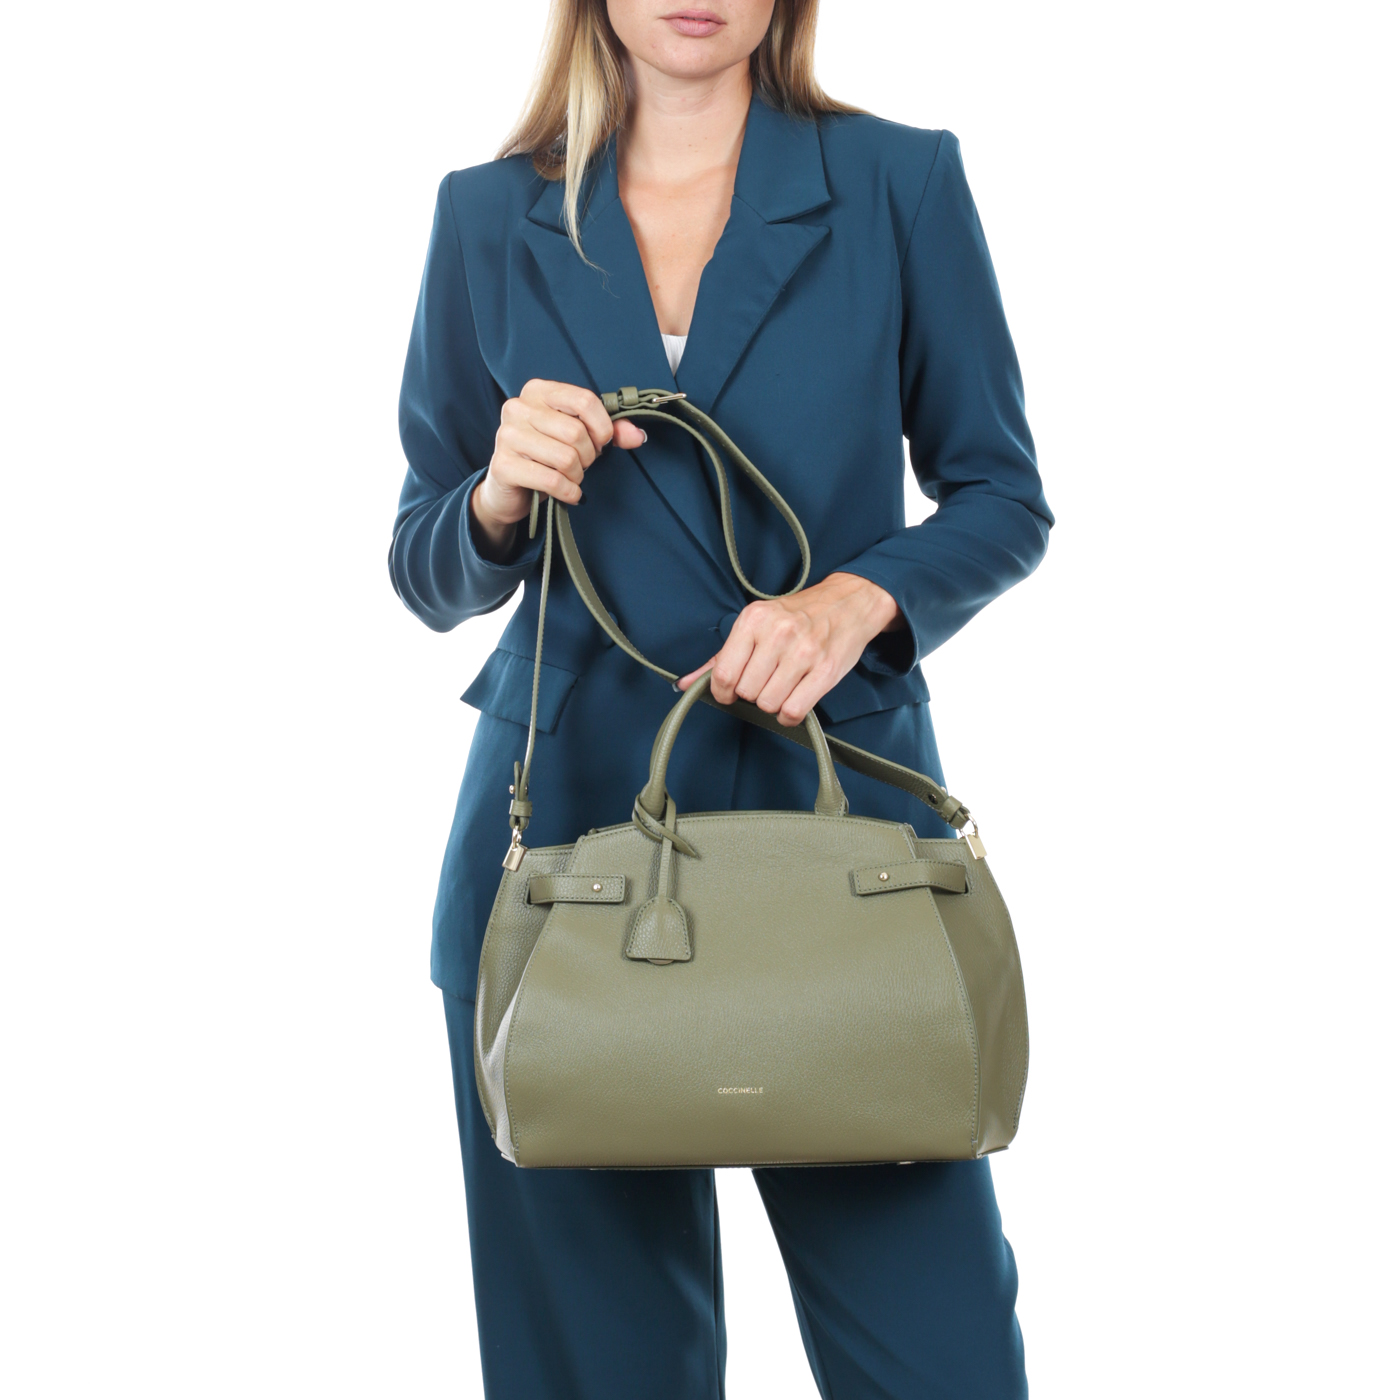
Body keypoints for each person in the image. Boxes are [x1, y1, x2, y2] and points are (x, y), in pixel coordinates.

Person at [389, 2, 1053, 1395]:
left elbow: (1001, 495)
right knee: (595, 1369)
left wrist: (856, 601)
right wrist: (500, 495)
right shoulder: (486, 213)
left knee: (938, 1353)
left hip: (843, 835)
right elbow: (424, 563)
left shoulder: (898, 180)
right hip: (564, 849)